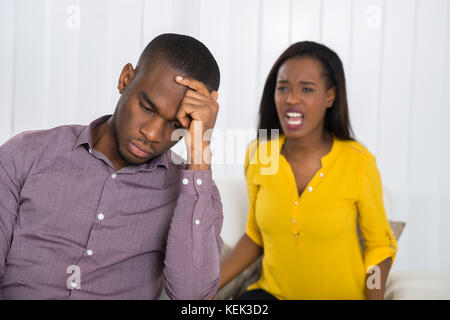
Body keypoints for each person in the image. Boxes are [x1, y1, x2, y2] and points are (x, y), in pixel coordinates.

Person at [0, 33, 223, 300]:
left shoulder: (195, 194)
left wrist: (199, 151)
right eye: (148, 108)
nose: (152, 134)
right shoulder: (26, 154)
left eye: (175, 125)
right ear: (125, 79)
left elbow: (193, 298)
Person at [218, 41, 398, 300]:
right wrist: (204, 289)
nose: (292, 99)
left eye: (306, 89)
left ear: (330, 96)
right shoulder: (261, 154)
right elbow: (255, 235)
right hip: (270, 296)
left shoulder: (358, 162)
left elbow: (379, 247)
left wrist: (374, 297)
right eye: (283, 88)